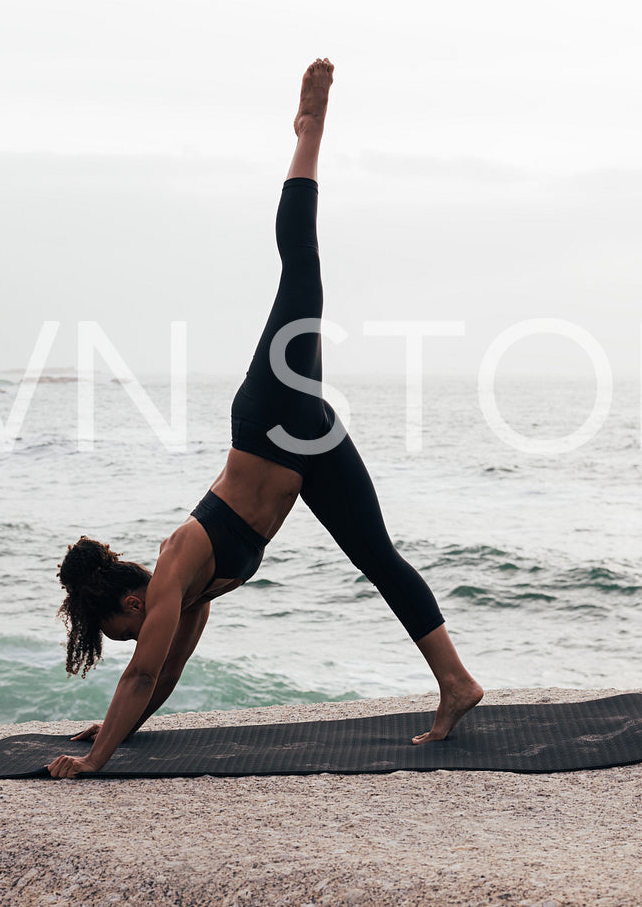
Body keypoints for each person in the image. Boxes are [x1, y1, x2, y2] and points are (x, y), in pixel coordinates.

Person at [46, 58, 483, 779]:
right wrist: (115, 734)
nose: (131, 640)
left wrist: (94, 761)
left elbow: (140, 675)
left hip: (270, 417)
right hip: (301, 451)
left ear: (130, 601)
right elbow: (159, 681)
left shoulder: (172, 572)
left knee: (300, 269)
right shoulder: (187, 601)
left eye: (121, 631)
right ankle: (457, 684)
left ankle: (309, 127)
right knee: (378, 558)